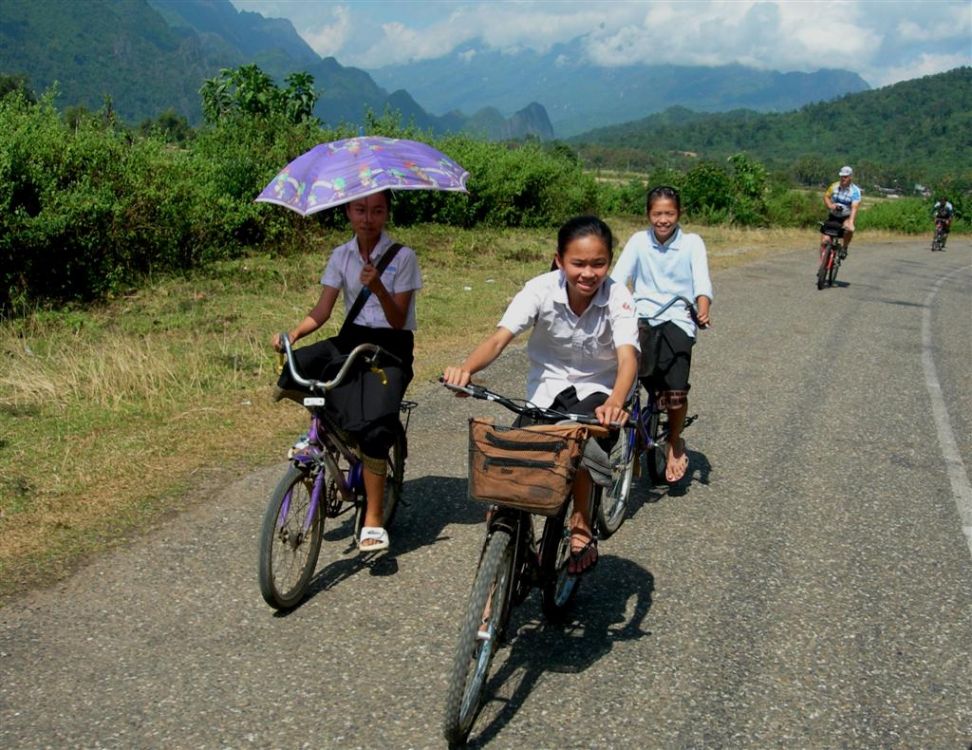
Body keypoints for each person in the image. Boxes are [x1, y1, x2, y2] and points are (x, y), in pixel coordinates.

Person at [443, 216, 639, 575]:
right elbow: (501, 337)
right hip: (545, 390)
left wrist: (615, 402)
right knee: (514, 460)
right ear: (559, 260)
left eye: (599, 263)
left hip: (598, 390)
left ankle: (581, 524)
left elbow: (628, 357)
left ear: (609, 261)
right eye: (578, 263)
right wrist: (467, 370)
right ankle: (512, 548)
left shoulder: (618, 297)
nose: (588, 273)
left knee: (577, 446)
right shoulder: (539, 289)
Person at [271, 190, 421, 552]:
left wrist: (378, 286)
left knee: (375, 428)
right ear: (348, 212)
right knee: (299, 368)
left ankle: (372, 518)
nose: (367, 218)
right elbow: (323, 310)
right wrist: (292, 334)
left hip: (391, 344)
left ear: (386, 214)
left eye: (376, 210)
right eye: (360, 210)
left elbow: (399, 318)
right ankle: (325, 434)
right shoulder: (341, 255)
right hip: (351, 337)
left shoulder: (404, 257)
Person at [610, 185, 712, 485]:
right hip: (642, 316)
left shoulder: (692, 243)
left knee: (676, 392)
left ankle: (675, 441)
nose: (663, 220)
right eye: (657, 213)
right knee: (622, 377)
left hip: (678, 317)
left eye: (669, 213)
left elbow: (702, 283)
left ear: (679, 214)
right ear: (648, 214)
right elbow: (617, 279)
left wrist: (702, 308)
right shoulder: (639, 241)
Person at [823, 166, 862, 257]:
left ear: (850, 177)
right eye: (841, 176)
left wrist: (851, 222)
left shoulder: (855, 191)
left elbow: (854, 207)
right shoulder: (834, 186)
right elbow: (826, 196)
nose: (843, 178)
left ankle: (844, 247)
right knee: (824, 241)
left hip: (846, 216)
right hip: (833, 215)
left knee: (849, 229)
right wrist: (830, 205)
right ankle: (824, 266)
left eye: (845, 177)